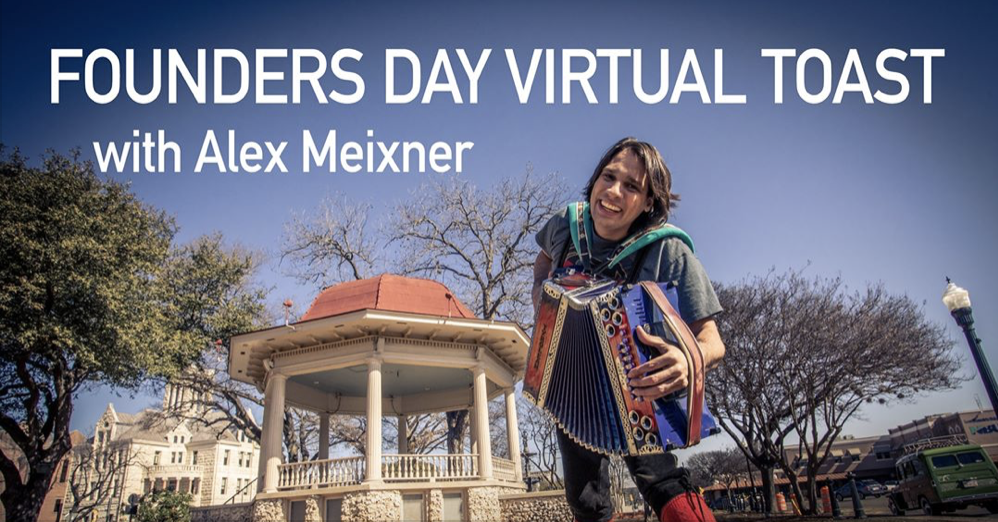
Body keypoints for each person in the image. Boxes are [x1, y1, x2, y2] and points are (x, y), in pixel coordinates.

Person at [532, 137, 726, 522]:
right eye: (608, 176)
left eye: (632, 186)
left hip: (640, 382)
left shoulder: (669, 251)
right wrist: (541, 300)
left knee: (661, 480)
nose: (613, 192)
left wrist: (691, 360)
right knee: (585, 499)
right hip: (575, 383)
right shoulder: (565, 226)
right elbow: (542, 264)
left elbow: (712, 340)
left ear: (649, 202)